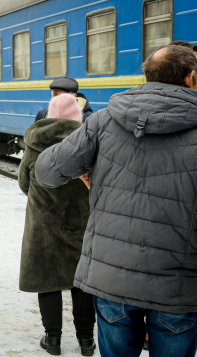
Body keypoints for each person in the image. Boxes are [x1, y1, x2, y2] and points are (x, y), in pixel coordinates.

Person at [35, 44, 197, 357]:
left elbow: (46, 172)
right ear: (190, 78)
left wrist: (88, 168)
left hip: (113, 279)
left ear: (147, 75)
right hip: (180, 283)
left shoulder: (104, 120)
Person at [19, 93, 95, 356]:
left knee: (47, 279)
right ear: (78, 115)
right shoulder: (90, 139)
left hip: (44, 222)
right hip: (82, 220)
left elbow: (24, 183)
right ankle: (86, 340)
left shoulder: (36, 141)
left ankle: (53, 339)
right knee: (81, 281)